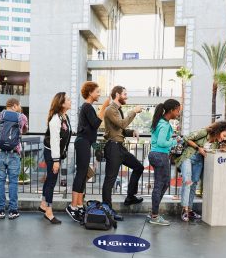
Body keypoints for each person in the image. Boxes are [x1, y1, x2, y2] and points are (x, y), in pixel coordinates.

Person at [175, 121, 226, 222]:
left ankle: (190, 210)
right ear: (219, 130)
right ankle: (184, 209)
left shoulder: (218, 143)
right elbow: (186, 138)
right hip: (188, 157)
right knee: (187, 182)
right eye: (224, 135)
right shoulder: (205, 132)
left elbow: (224, 149)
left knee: (194, 183)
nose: (225, 138)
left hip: (199, 161)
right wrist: (198, 148)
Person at [66, 81, 109, 222]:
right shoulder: (87, 106)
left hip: (85, 143)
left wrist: (97, 149)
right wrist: (104, 107)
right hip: (82, 142)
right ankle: (72, 206)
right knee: (81, 173)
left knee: (83, 173)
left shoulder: (87, 107)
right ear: (90, 92)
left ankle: (78, 205)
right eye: (97, 91)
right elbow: (96, 124)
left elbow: (92, 132)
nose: (99, 94)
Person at [102, 86, 144, 221]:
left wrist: (132, 132)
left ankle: (130, 197)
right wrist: (134, 112)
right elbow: (122, 124)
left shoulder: (117, 110)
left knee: (139, 167)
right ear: (117, 94)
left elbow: (120, 130)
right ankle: (107, 209)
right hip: (113, 148)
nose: (126, 96)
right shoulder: (110, 110)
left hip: (120, 147)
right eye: (125, 94)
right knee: (110, 179)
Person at [0, 98, 28, 220]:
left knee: (0, 182)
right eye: (19, 105)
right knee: (13, 182)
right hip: (14, 152)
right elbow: (24, 131)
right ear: (14, 106)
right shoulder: (22, 117)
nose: (20, 108)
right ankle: (13, 210)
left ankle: (0, 209)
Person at [39, 92, 72, 224]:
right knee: (52, 182)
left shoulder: (65, 117)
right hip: (52, 153)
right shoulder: (55, 119)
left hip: (57, 153)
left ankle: (43, 204)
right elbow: (54, 141)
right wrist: (56, 161)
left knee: (49, 179)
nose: (70, 101)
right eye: (68, 100)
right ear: (62, 103)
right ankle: (49, 211)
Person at [148, 99, 181, 226]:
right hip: (160, 155)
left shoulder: (160, 122)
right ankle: (154, 216)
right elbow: (162, 143)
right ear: (171, 110)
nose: (178, 113)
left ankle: (153, 213)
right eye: (177, 110)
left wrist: (171, 139)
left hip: (157, 155)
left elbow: (159, 140)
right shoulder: (165, 124)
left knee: (164, 184)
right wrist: (175, 141)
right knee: (160, 185)